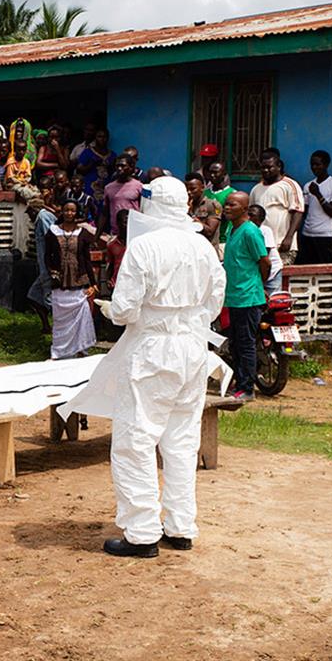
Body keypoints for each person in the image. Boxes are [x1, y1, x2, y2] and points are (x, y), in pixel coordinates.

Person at [61, 176, 225, 558]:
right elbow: (215, 302)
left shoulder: (145, 247)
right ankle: (181, 527)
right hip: (193, 348)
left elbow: (125, 311)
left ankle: (142, 532)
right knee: (182, 442)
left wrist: (110, 308)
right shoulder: (202, 246)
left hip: (153, 349)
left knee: (136, 441)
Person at [222, 191, 270, 399]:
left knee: (245, 343)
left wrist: (259, 284)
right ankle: (239, 381)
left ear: (244, 208)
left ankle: (247, 388)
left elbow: (264, 261)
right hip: (234, 295)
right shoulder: (233, 230)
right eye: (226, 204)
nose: (227, 208)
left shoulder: (251, 232)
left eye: (232, 205)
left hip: (248, 297)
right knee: (235, 343)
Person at [45, 200, 97, 359]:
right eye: (66, 210)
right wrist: (51, 272)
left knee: (81, 316)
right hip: (59, 281)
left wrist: (93, 282)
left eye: (72, 211)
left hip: (79, 280)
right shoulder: (53, 232)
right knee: (60, 319)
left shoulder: (82, 234)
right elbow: (47, 255)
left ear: (77, 213)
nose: (69, 213)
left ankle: (79, 348)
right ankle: (60, 350)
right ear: (62, 212)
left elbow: (86, 259)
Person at [249, 151, 304, 265]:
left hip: (282, 245)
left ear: (278, 167)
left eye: (269, 167)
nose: (265, 170)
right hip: (261, 246)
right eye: (263, 168)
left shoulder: (289, 185)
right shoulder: (256, 189)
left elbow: (298, 213)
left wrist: (288, 238)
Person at [297, 150, 332, 264]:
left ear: (326, 165)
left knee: (324, 271)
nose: (314, 167)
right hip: (307, 234)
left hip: (325, 236)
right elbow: (304, 211)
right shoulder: (308, 186)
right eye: (312, 164)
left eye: (318, 164)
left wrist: (318, 194)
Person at [24, 197, 57, 334]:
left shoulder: (43, 218)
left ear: (34, 210)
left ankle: (63, 328)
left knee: (50, 300)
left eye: (30, 212)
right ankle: (46, 327)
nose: (30, 216)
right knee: (33, 296)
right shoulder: (42, 219)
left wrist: (52, 267)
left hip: (48, 268)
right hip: (43, 268)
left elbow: (52, 242)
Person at [102, 155, 143, 236]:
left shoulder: (139, 186)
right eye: (117, 166)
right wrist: (97, 236)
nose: (119, 168)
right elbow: (104, 213)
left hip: (134, 232)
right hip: (116, 233)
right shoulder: (108, 188)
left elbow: (143, 210)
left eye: (123, 166)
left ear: (131, 167)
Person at [247, 204, 284, 295]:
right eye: (248, 215)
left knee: (273, 302)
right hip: (257, 273)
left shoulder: (265, 231)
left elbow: (263, 255)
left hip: (272, 272)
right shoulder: (245, 230)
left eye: (252, 215)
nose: (249, 218)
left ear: (261, 219)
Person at [186, 174, 222, 252]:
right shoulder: (185, 205)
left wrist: (191, 215)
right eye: (187, 189)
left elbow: (209, 232)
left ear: (202, 188)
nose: (189, 192)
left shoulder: (212, 205)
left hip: (208, 253)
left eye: (193, 189)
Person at [75, 127, 115, 197]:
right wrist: (91, 164)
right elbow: (79, 169)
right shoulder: (88, 152)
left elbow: (115, 172)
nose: (102, 139)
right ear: (95, 138)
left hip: (106, 188)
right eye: (99, 136)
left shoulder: (112, 155)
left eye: (104, 137)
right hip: (90, 187)